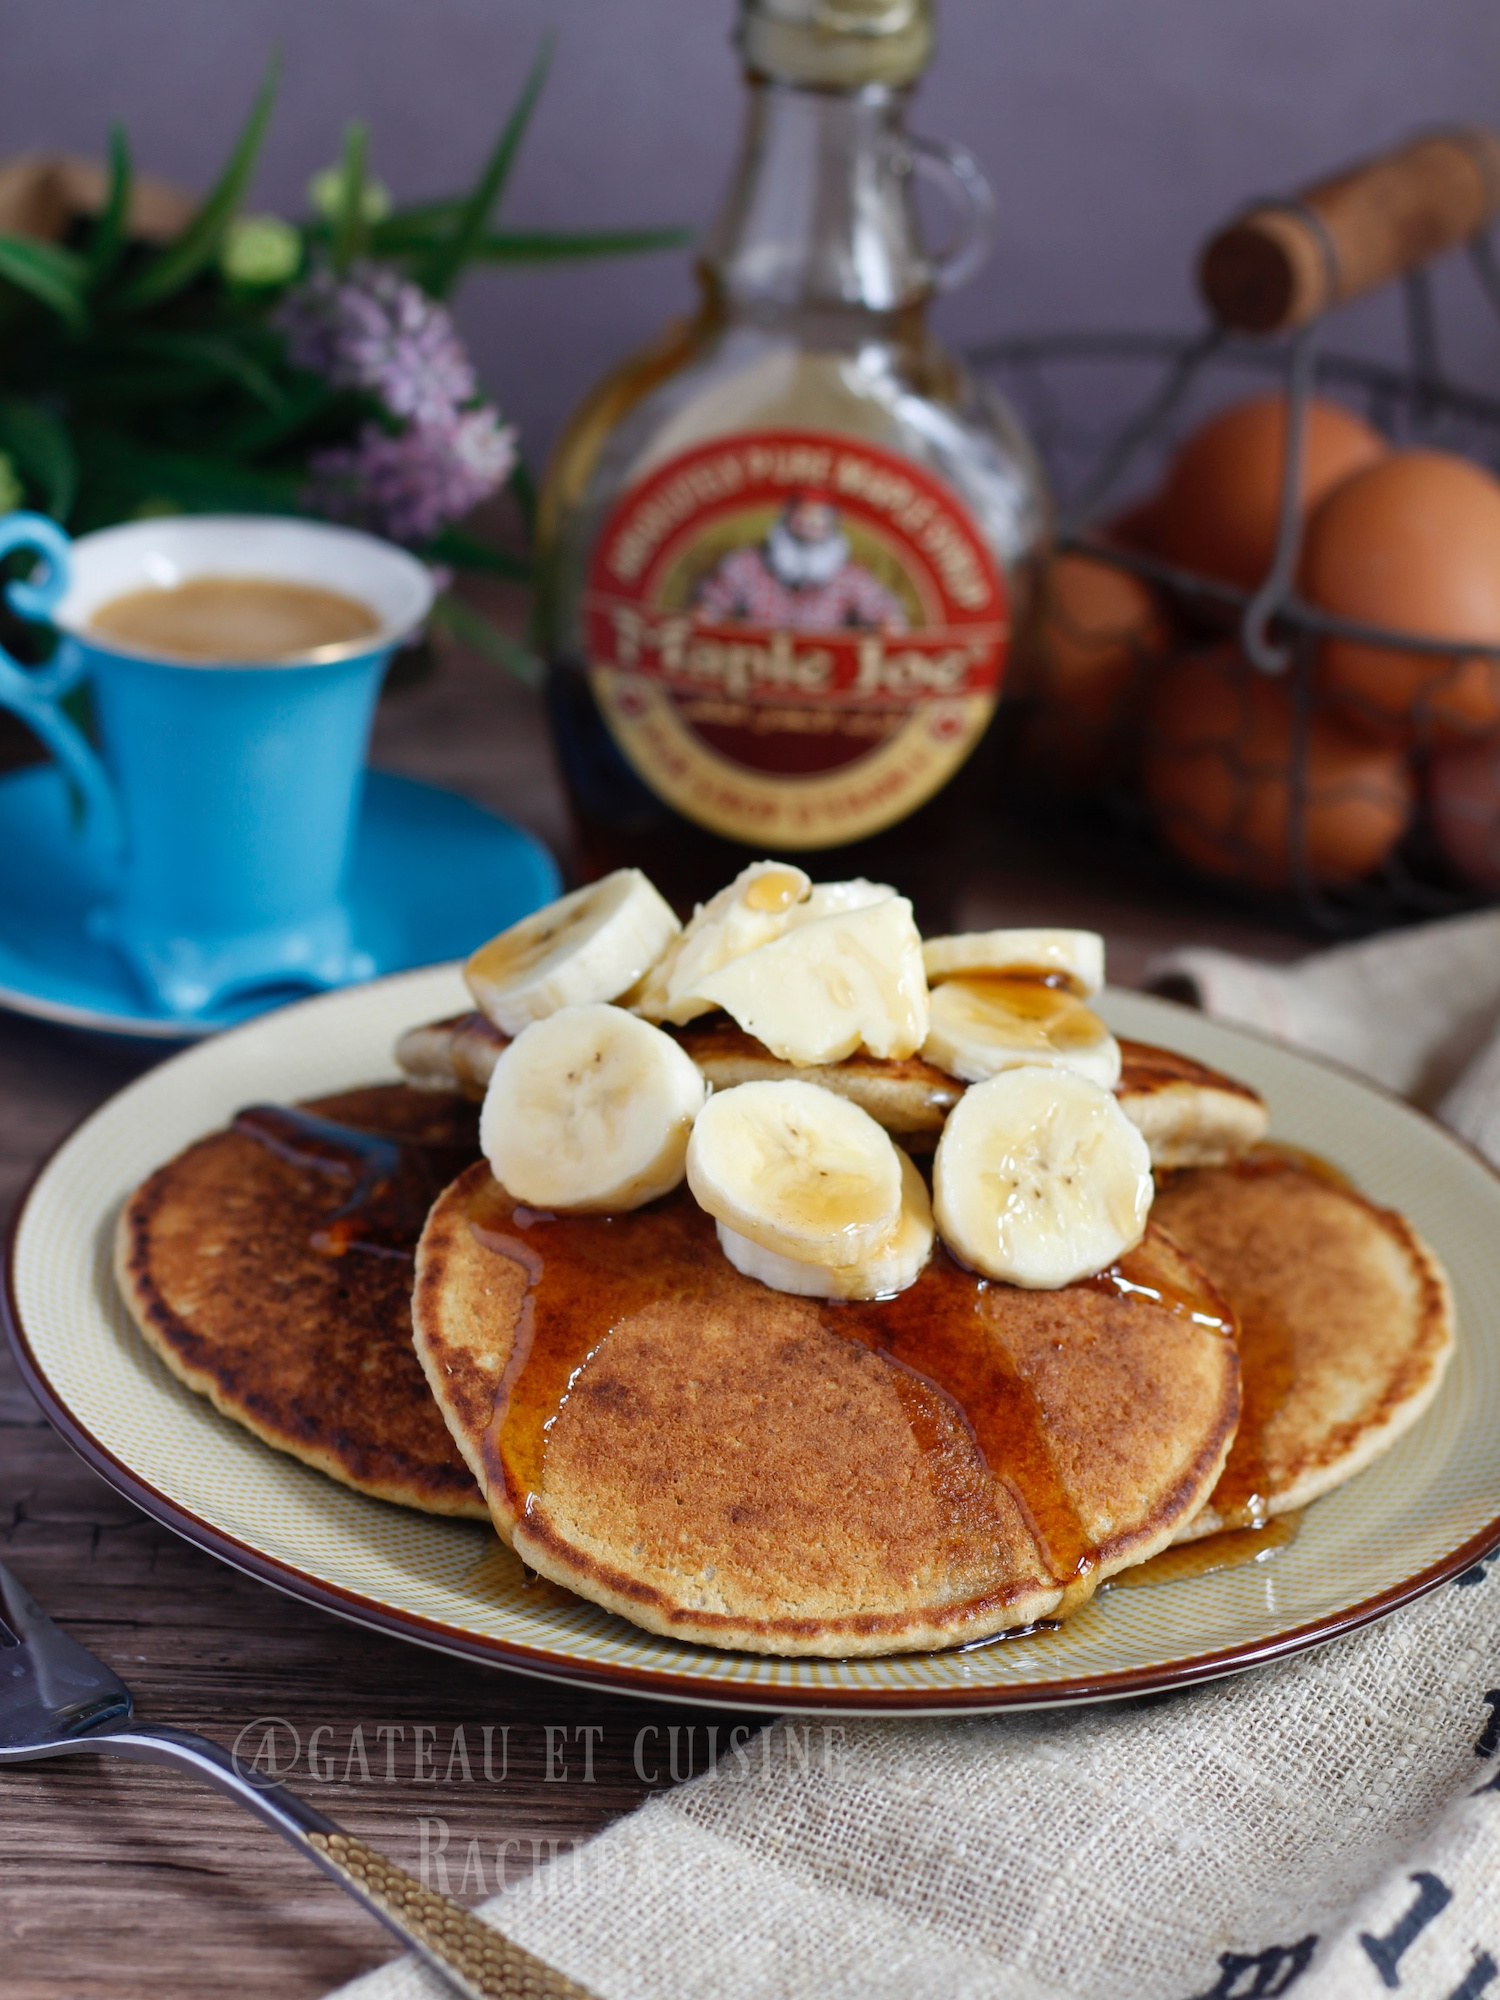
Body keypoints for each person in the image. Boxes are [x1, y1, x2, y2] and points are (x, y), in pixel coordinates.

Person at [694, 495, 909, 632]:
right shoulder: (748, 564)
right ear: (785, 521)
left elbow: (882, 610)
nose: (807, 531)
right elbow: (710, 603)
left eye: (817, 524)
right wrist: (706, 615)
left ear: (830, 529)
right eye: (801, 522)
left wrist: (888, 622)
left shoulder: (849, 575)